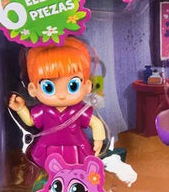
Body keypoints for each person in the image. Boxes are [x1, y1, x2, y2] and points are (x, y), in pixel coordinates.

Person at [8, 37, 106, 170]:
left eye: (73, 85)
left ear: (87, 86)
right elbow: (30, 121)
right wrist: (20, 108)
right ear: (32, 89)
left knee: (74, 169)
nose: (61, 95)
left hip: (76, 147)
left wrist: (99, 139)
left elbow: (95, 123)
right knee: (51, 169)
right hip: (48, 147)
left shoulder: (78, 111)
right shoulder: (44, 110)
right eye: (48, 87)